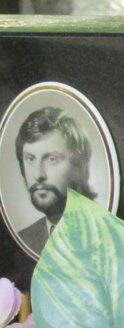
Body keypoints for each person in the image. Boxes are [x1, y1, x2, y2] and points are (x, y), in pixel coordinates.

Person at [12, 107, 95, 256]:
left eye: (52, 159)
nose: (38, 174)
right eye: (30, 159)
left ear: (79, 166)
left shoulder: (105, 234)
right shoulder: (25, 239)